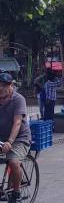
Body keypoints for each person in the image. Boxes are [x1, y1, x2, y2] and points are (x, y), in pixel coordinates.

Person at [0, 72, 31, 203]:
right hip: (1, 137)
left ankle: (16, 192)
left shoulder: (18, 99)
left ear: (10, 86)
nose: (0, 89)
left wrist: (10, 142)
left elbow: (17, 122)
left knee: (13, 161)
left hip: (19, 138)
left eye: (3, 86)